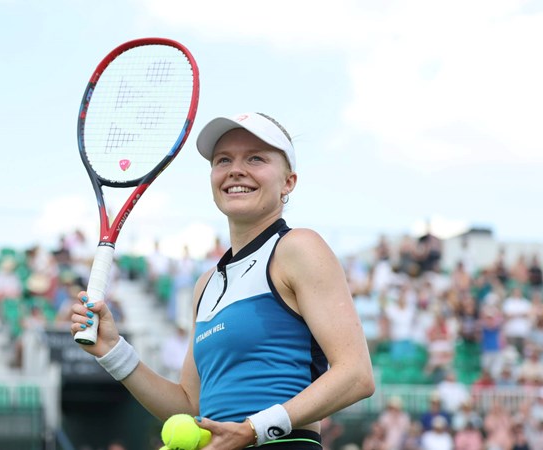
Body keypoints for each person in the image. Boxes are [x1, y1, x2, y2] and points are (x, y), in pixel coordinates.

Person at [69, 112, 375, 448]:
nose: (235, 170)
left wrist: (254, 429)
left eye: (255, 158)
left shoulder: (299, 248)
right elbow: (191, 407)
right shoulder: (206, 284)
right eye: (223, 160)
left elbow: (356, 376)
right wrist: (113, 351)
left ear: (289, 182)